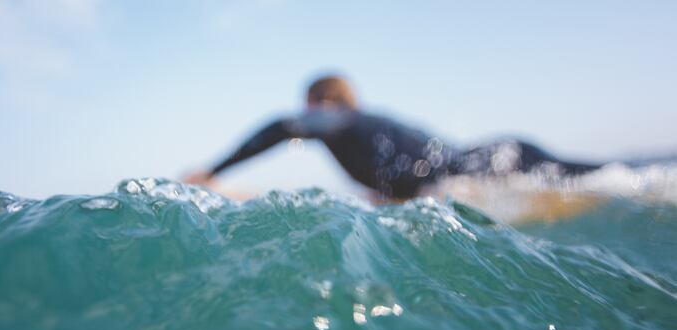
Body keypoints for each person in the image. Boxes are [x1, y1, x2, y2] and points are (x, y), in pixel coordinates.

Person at [184, 75, 599, 200]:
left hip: (499, 162)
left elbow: (282, 127)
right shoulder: (367, 127)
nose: (306, 119)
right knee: (602, 180)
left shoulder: (342, 120)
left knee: (606, 181)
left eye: (308, 108)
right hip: (498, 159)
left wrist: (213, 170)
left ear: (322, 104)